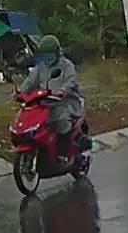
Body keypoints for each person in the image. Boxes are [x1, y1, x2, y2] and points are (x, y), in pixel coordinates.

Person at [18, 35, 83, 164]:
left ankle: (63, 154)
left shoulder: (67, 66)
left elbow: (71, 81)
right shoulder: (40, 67)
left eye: (50, 54)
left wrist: (62, 91)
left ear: (57, 53)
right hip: (45, 103)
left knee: (62, 121)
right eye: (45, 54)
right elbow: (30, 82)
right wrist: (20, 92)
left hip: (65, 102)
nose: (47, 57)